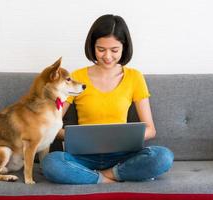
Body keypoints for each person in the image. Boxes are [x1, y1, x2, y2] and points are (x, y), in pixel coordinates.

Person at [41, 14, 174, 184]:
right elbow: (52, 123)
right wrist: (72, 136)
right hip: (83, 156)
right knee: (51, 163)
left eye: (114, 50)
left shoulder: (135, 77)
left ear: (124, 47)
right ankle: (106, 178)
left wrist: (124, 139)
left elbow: (151, 129)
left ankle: (103, 175)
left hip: (123, 156)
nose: (108, 56)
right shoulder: (76, 77)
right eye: (101, 49)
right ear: (92, 46)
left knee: (163, 157)